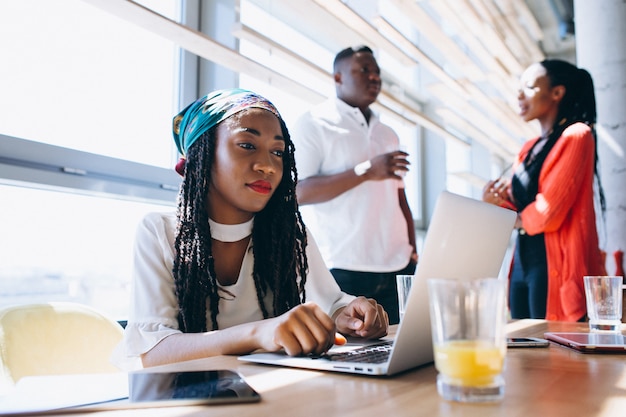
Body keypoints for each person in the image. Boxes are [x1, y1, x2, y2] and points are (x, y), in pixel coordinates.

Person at [111, 89, 389, 370]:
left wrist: (347, 316)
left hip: (270, 392)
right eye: (247, 145)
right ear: (202, 154)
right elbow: (152, 352)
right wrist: (258, 332)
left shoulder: (288, 235)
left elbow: (332, 304)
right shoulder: (160, 230)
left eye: (278, 152)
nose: (267, 166)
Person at [291, 46, 417, 325]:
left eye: (377, 73)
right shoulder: (313, 124)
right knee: (350, 358)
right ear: (338, 77)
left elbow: (399, 197)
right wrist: (367, 171)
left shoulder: (388, 133)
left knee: (404, 353)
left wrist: (412, 247)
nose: (374, 78)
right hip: (346, 266)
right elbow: (298, 192)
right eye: (364, 70)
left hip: (400, 264)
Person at [482, 59, 607, 322]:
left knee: (555, 355)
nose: (519, 94)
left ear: (557, 93)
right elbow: (516, 207)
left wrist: (511, 219)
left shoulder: (577, 135)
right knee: (522, 351)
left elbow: (549, 211)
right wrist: (494, 202)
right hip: (522, 264)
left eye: (529, 86)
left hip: (555, 266)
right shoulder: (527, 148)